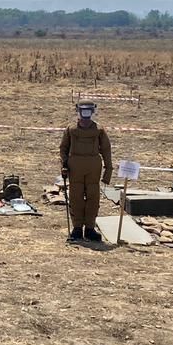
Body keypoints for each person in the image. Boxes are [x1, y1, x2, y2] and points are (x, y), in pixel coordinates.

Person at [59, 100, 112, 242]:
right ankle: (77, 228)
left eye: (88, 111)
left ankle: (89, 228)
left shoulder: (99, 131)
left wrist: (108, 172)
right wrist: (64, 164)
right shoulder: (71, 130)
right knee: (76, 197)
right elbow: (63, 148)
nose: (86, 115)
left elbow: (106, 150)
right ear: (78, 111)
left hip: (93, 167)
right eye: (83, 111)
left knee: (93, 198)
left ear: (93, 111)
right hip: (75, 167)